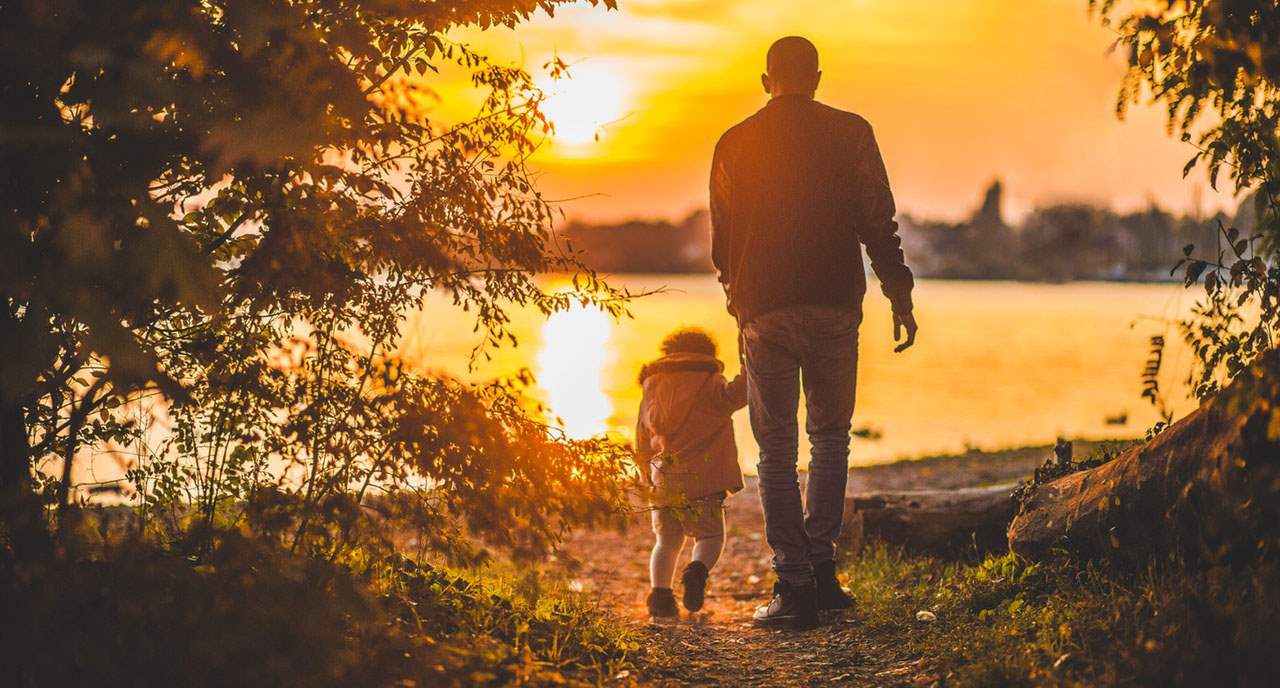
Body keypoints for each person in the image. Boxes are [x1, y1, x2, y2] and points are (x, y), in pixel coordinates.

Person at [710, 36, 918, 630]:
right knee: (830, 437)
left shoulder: (734, 141)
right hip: (833, 302)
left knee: (775, 448)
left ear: (765, 79)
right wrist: (898, 293)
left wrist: (738, 301)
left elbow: (722, 238)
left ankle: (794, 583)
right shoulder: (851, 132)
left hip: (765, 309)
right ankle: (822, 573)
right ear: (818, 78)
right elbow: (878, 220)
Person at [635, 328, 748, 621]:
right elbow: (740, 394)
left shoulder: (651, 386)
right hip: (705, 479)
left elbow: (641, 437)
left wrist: (646, 474)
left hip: (663, 480)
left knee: (666, 542)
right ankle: (697, 572)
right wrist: (749, 359)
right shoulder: (711, 382)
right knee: (710, 535)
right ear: (707, 355)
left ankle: (660, 597)